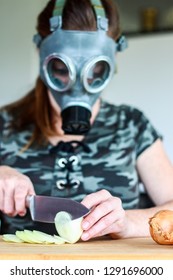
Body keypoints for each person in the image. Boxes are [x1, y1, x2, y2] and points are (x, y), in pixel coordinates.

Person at [0, 0, 173, 241]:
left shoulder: (131, 126)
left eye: (94, 71)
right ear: (42, 56)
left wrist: (127, 223)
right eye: (61, 67)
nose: (78, 85)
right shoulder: (4, 125)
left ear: (112, 64)